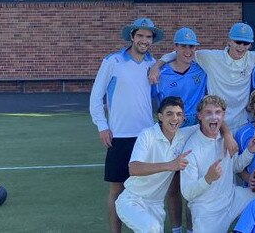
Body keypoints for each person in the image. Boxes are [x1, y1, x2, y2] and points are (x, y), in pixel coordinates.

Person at [150, 22, 255, 132]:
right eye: (238, 42)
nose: (241, 47)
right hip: (215, 122)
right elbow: (183, 53)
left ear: (251, 45)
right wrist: (157, 65)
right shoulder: (210, 57)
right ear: (229, 40)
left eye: (246, 43)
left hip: (243, 122)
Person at [89, 17, 164, 233]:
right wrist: (102, 126)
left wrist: (158, 65)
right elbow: (96, 97)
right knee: (117, 189)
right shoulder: (112, 62)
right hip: (119, 136)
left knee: (144, 191)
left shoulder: (153, 64)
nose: (144, 40)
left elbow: (158, 99)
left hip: (146, 137)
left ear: (152, 40)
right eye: (140, 35)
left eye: (148, 37)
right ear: (132, 37)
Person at [180, 95, 255, 233]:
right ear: (200, 115)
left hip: (232, 199)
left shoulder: (225, 139)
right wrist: (208, 178)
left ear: (223, 115)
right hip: (207, 211)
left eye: (218, 112)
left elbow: (235, 166)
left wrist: (249, 151)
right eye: (208, 113)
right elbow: (187, 193)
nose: (214, 117)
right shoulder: (191, 149)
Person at [152, 27, 207, 233]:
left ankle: (192, 229)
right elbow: (154, 103)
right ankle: (176, 228)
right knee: (173, 184)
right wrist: (158, 64)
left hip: (194, 130)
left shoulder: (201, 70)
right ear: (175, 47)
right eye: (183, 46)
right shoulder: (162, 73)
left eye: (191, 47)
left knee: (193, 185)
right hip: (172, 131)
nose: (188, 51)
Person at [115, 97, 195, 233]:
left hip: (157, 206)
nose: (174, 118)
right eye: (169, 114)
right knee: (152, 228)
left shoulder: (183, 135)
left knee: (153, 228)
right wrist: (170, 165)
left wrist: (228, 135)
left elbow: (210, 121)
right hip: (132, 200)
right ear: (160, 116)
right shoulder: (147, 135)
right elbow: (134, 168)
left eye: (179, 114)